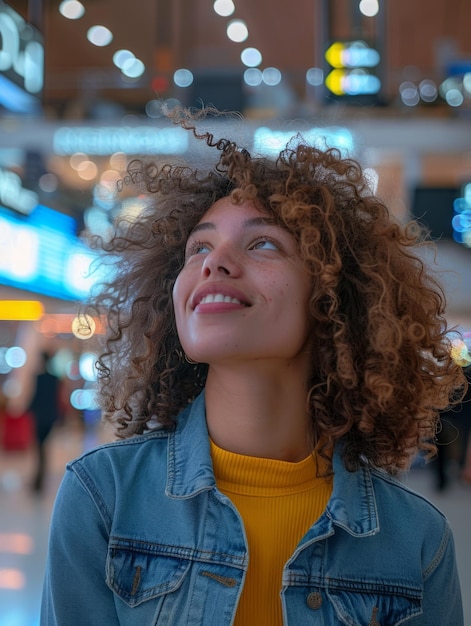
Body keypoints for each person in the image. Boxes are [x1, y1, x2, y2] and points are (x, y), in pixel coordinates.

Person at [41, 109, 466, 625]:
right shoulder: (103, 498)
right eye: (199, 246)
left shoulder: (416, 540)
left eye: (263, 242)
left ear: (332, 297)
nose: (213, 263)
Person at [28, 351, 61, 492]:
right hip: (50, 416)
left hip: (39, 416)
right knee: (43, 448)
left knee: (39, 448)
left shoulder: (38, 378)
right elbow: (56, 398)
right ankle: (40, 478)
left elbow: (35, 397)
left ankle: (38, 479)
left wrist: (28, 410)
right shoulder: (54, 378)